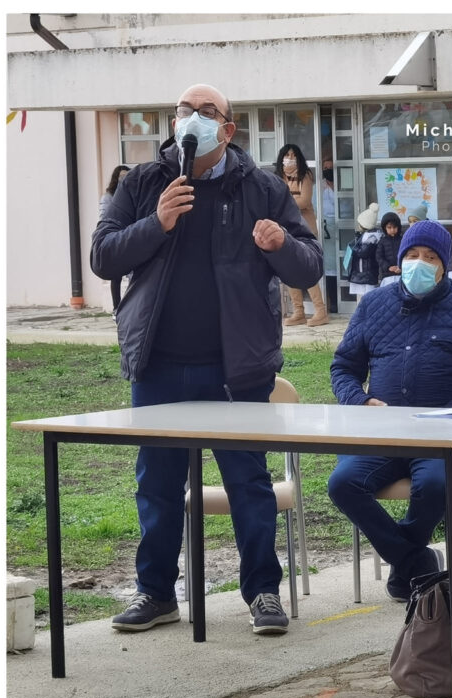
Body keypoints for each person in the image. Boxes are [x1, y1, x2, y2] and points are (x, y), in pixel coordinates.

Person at [91, 83, 323, 635]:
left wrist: (279, 247)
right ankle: (156, 593)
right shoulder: (146, 182)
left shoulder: (263, 189)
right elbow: (102, 256)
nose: (192, 118)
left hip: (236, 366)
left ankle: (263, 592)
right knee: (157, 483)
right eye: (184, 110)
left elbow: (309, 267)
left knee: (248, 481)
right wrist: (157, 222)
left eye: (207, 111)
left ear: (228, 129)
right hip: (160, 362)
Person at [327, 220, 452, 601]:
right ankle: (416, 562)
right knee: (342, 483)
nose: (420, 263)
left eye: (430, 257)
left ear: (445, 264)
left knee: (435, 486)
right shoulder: (374, 305)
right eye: (412, 255)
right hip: (382, 433)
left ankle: (406, 567)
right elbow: (343, 367)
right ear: (399, 259)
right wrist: (360, 401)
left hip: (440, 437)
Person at [276, 144, 328, 327]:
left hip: (305, 228)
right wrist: (287, 201)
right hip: (285, 228)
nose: (289, 158)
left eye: (293, 155)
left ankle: (321, 311)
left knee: (307, 268)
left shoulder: (305, 175)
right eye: (287, 154)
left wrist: (284, 201)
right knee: (289, 270)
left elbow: (304, 201)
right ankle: (299, 311)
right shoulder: (279, 176)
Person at [99, 164, 130, 314]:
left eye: (126, 176)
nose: (123, 180)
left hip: (131, 236)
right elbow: (104, 218)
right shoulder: (108, 197)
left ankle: (131, 305)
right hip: (116, 237)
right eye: (121, 177)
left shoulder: (133, 194)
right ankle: (116, 307)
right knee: (116, 275)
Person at [347, 203, 381, 299]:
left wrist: (354, 247)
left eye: (360, 223)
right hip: (364, 273)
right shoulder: (369, 236)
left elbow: (363, 252)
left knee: (366, 298)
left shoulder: (371, 237)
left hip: (365, 273)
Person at [374, 211, 403, 287]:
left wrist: (401, 267)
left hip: (402, 275)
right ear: (385, 228)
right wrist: (388, 267)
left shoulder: (403, 240)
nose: (392, 230)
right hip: (387, 276)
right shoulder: (382, 241)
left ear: (398, 227)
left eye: (394, 227)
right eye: (389, 227)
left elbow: (406, 255)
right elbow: (379, 257)